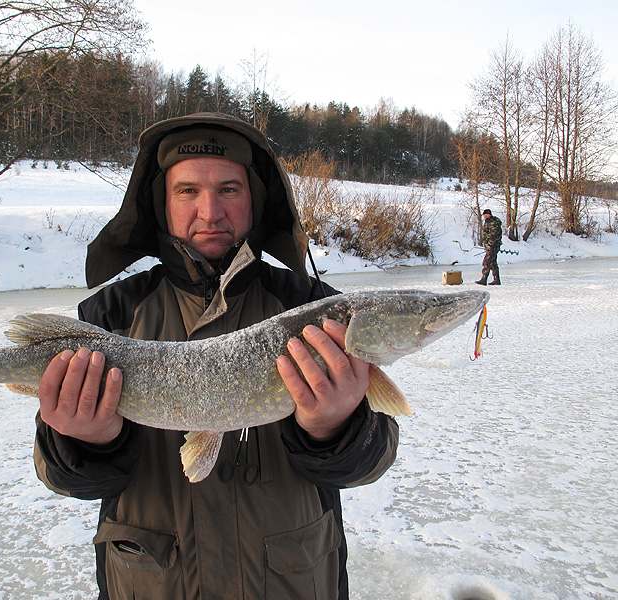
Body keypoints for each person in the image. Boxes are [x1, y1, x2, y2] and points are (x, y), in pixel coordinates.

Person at [33, 112, 399, 600]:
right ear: (161, 203)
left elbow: (369, 464)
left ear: (257, 199)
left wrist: (334, 429)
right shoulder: (110, 313)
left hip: (291, 579)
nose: (210, 212)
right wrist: (85, 441)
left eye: (229, 189)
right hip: (153, 582)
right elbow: (62, 477)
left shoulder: (313, 309)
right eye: (187, 191)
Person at [475, 208, 502, 286]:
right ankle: (497, 280)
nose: (484, 216)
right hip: (490, 246)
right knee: (493, 263)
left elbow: (494, 235)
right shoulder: (488, 222)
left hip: (493, 246)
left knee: (486, 262)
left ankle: (484, 279)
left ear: (488, 214)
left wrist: (490, 245)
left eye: (485, 215)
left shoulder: (493, 222)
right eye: (483, 215)